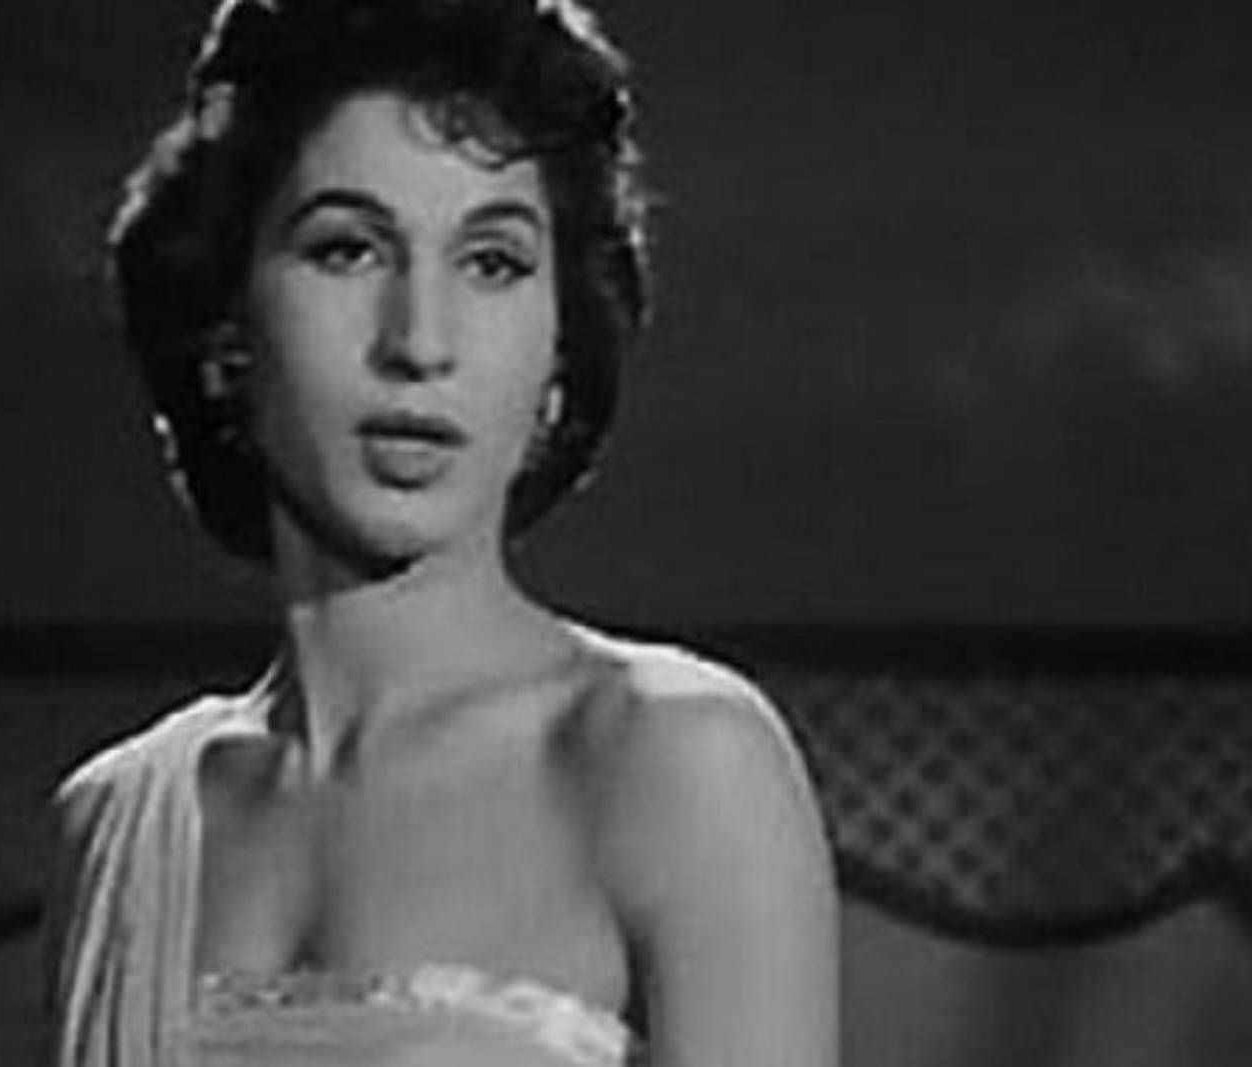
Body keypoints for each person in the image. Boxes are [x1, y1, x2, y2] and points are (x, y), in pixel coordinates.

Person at [44, 1, 837, 1064]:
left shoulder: (674, 760)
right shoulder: (111, 820)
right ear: (227, 327)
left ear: (559, 358)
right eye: (346, 250)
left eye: (493, 262)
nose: (420, 341)